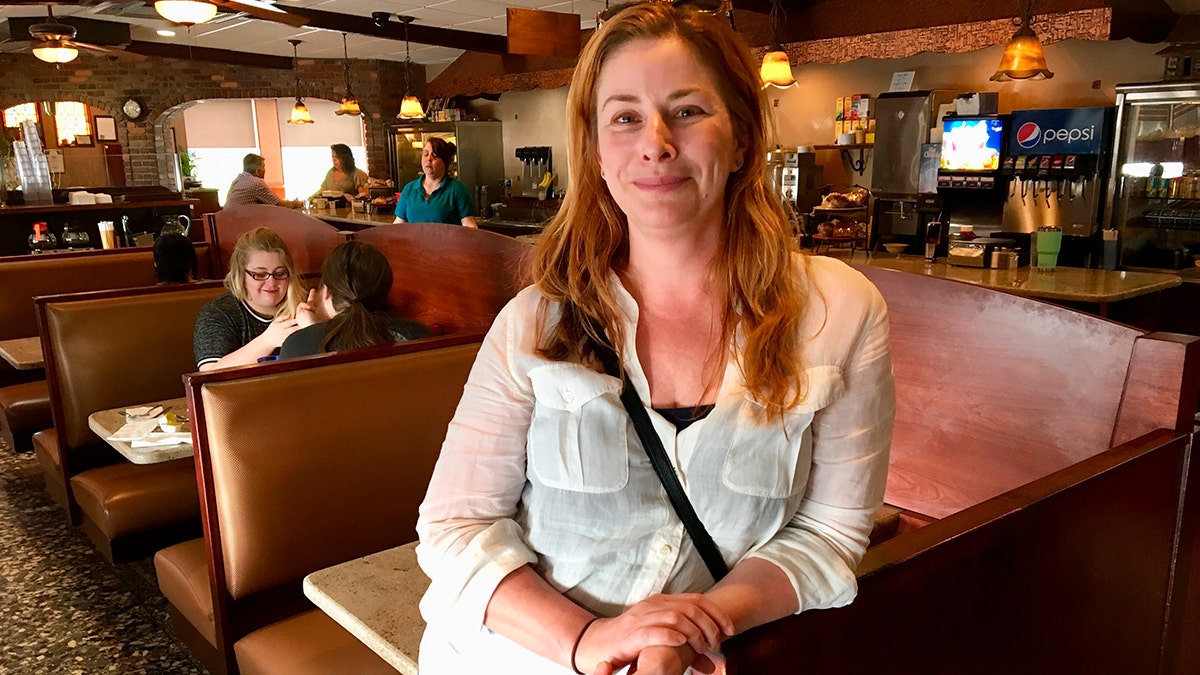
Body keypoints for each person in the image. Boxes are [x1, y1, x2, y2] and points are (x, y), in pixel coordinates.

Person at [415, 3, 895, 675]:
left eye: (689, 111)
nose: (657, 142)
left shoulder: (841, 312)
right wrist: (587, 640)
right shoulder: (534, 322)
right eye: (625, 117)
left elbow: (830, 531)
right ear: (597, 151)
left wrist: (692, 625)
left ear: (744, 139)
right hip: (518, 658)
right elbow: (453, 529)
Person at [278, 240, 432, 358]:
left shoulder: (297, 345)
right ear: (385, 290)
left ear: (327, 291)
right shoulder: (421, 336)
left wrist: (310, 332)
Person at [193, 227, 306, 371]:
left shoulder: (305, 306)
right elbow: (209, 373)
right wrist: (267, 340)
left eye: (280, 273)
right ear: (240, 274)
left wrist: (316, 327)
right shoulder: (218, 313)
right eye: (260, 274)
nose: (271, 283)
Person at [392, 137, 478, 228]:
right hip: (414, 242)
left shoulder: (458, 190)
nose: (429, 159)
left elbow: (469, 226)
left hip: (446, 242)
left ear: (445, 161)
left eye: (434, 155)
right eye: (425, 154)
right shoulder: (409, 189)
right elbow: (398, 225)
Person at [225, 153, 302, 208]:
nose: (265, 170)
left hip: (229, 222)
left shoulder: (237, 180)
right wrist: (296, 204)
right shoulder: (257, 183)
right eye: (263, 167)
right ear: (258, 171)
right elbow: (280, 205)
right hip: (244, 225)